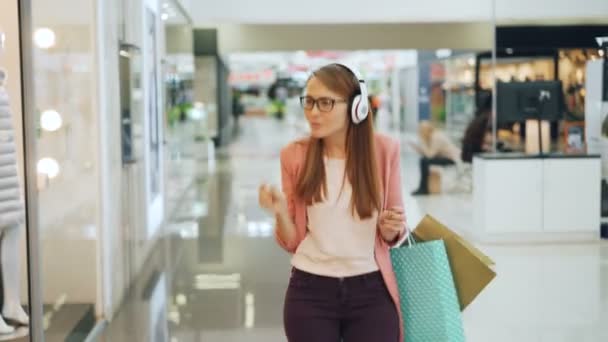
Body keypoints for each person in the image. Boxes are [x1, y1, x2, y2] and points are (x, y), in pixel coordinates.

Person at [258, 63, 406, 342]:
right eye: (309, 101)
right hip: (310, 291)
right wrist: (279, 212)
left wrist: (390, 229)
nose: (313, 112)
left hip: (372, 289)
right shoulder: (295, 155)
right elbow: (292, 241)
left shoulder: (384, 151)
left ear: (357, 107)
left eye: (325, 102)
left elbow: (396, 230)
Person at [409, 121, 461, 195]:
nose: (420, 132)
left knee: (424, 161)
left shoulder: (436, 137)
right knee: (424, 160)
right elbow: (429, 154)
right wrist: (419, 148)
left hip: (453, 159)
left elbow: (430, 155)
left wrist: (422, 142)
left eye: (421, 130)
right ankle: (423, 188)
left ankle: (423, 188)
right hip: (445, 157)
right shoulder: (431, 137)